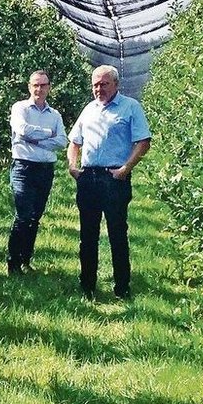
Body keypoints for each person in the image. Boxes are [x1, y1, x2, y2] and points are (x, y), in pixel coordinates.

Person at [67, 65, 151, 300]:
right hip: (89, 178)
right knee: (88, 235)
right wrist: (73, 166)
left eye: (104, 84)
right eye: (95, 84)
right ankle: (87, 286)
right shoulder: (89, 109)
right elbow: (74, 141)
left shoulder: (130, 107)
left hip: (114, 179)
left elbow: (143, 142)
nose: (99, 89)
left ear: (116, 84)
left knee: (117, 233)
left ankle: (122, 287)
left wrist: (125, 169)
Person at [6, 70, 67, 275]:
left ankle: (25, 259)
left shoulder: (55, 115)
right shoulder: (20, 108)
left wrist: (36, 140)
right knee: (23, 215)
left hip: (45, 170)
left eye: (43, 85)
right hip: (23, 168)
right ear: (29, 87)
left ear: (49, 87)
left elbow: (62, 141)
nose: (39, 89)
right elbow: (23, 130)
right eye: (35, 85)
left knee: (35, 217)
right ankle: (13, 263)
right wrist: (49, 134)